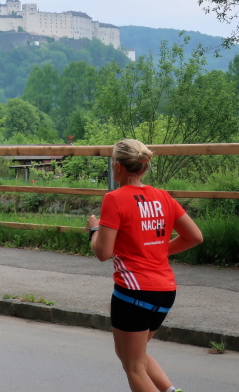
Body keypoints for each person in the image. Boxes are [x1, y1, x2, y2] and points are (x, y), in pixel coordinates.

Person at [85, 139, 203, 392]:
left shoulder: (114, 199)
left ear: (117, 166)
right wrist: (155, 250)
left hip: (134, 292)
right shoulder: (163, 197)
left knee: (134, 367)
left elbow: (103, 252)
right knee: (132, 355)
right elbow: (194, 237)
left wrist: (94, 230)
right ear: (143, 166)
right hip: (165, 290)